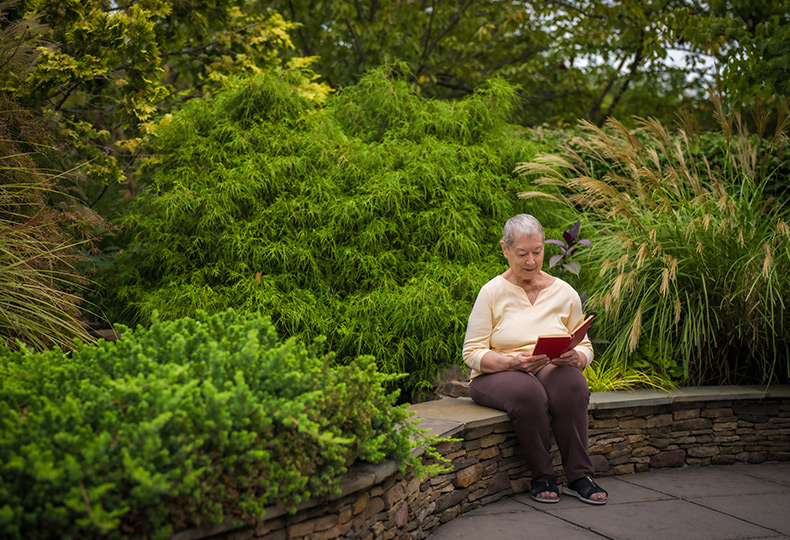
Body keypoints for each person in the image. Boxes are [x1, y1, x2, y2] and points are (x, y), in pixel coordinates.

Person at [462, 214, 607, 505]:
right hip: (496, 374)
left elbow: (585, 345)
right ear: (505, 249)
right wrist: (513, 363)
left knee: (573, 385)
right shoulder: (491, 293)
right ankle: (543, 477)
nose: (531, 261)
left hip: (549, 368)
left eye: (537, 252)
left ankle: (579, 476)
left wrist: (578, 358)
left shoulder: (564, 292)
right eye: (522, 254)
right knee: (529, 392)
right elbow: (472, 352)